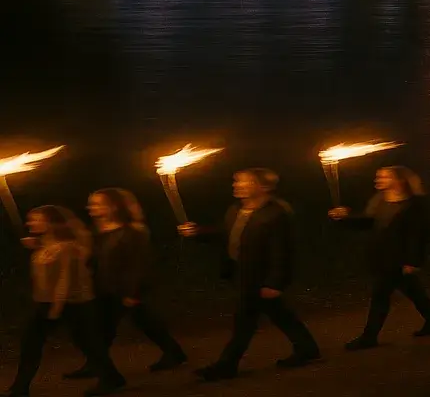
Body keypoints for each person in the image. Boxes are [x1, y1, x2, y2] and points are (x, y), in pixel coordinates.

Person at [178, 167, 320, 381]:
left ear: (263, 187)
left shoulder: (275, 214)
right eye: (236, 182)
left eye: (244, 182)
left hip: (260, 277)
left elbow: (282, 251)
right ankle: (308, 348)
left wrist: (274, 282)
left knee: (244, 321)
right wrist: (197, 232)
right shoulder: (235, 209)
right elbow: (226, 235)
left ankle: (227, 365)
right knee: (279, 315)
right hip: (241, 273)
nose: (236, 185)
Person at [63, 189, 185, 382]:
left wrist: (132, 292)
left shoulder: (132, 231)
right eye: (90, 203)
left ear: (113, 206)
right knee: (137, 323)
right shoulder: (94, 231)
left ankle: (101, 369)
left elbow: (139, 264)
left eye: (97, 203)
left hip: (124, 288)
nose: (90, 208)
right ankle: (174, 353)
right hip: (102, 286)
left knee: (113, 327)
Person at [5, 206, 125, 397]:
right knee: (31, 343)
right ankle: (20, 386)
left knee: (88, 344)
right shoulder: (42, 246)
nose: (30, 223)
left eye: (35, 219)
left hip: (73, 303)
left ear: (51, 222)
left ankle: (111, 378)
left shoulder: (68, 248)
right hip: (45, 302)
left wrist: (56, 309)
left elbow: (65, 281)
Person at [328, 166, 430, 350]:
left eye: (384, 177)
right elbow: (368, 222)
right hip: (381, 255)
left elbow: (418, 235)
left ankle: (369, 337)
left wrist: (413, 261)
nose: (378, 179)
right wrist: (344, 218)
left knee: (380, 296)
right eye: (378, 176)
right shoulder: (380, 200)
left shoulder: (413, 205)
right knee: (413, 291)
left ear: (399, 181)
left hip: (397, 258)